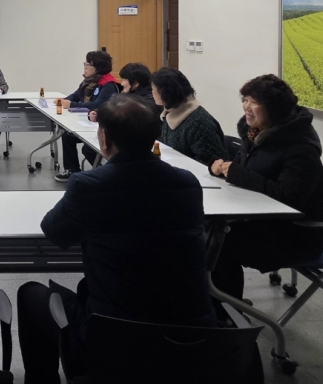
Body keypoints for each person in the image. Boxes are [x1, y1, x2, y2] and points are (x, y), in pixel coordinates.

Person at [17, 95, 218, 384]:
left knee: (30, 294)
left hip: (116, 338)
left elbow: (55, 232)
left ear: (104, 137)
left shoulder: (89, 185)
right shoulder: (187, 182)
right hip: (192, 338)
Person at [209, 74, 323, 301]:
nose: (246, 107)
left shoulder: (300, 147)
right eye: (245, 100)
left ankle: (228, 310)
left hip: (292, 235)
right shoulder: (255, 132)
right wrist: (221, 167)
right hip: (261, 220)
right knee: (206, 232)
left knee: (218, 242)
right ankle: (215, 301)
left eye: (254, 102)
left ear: (273, 108)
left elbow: (288, 197)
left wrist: (238, 173)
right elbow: (246, 167)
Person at [55, 50, 121, 182]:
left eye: (87, 65)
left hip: (102, 125)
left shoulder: (108, 84)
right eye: (84, 64)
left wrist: (71, 105)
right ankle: (72, 170)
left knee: (88, 148)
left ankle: (106, 173)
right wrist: (63, 100)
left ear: (98, 67)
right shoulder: (88, 82)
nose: (84, 67)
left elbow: (98, 105)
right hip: (88, 122)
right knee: (68, 136)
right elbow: (76, 95)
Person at [150, 67, 228, 166]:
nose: (151, 92)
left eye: (153, 89)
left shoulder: (199, 122)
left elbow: (209, 163)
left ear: (165, 92)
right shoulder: (170, 113)